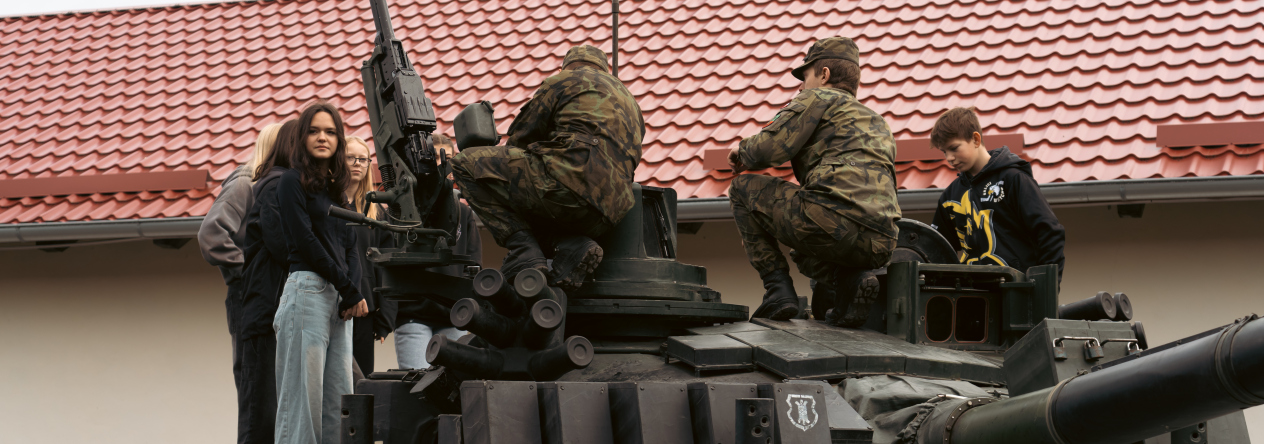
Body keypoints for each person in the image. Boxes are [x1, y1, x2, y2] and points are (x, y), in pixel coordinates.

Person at [726, 37, 900, 326]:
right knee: (806, 247)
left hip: (831, 220)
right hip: (882, 241)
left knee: (742, 190)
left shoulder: (817, 98)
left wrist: (740, 152)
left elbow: (769, 150)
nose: (800, 86)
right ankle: (849, 284)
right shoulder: (879, 121)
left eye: (805, 77)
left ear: (824, 75)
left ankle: (777, 290)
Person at [450, 45, 644, 292]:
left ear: (567, 66)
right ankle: (570, 245)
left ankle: (523, 250)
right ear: (603, 68)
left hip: (565, 186)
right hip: (609, 215)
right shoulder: (633, 105)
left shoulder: (564, 81)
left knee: (465, 163)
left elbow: (522, 136)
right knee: (544, 194)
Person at [272, 101, 367, 444]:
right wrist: (348, 287)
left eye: (330, 131)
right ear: (301, 137)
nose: (322, 137)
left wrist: (352, 289)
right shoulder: (290, 182)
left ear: (340, 139)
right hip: (307, 291)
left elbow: (350, 246)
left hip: (338, 298)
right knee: (302, 406)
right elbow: (305, 241)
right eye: (314, 131)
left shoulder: (337, 190)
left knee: (336, 404)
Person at [196, 121, 282, 444]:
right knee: (255, 393)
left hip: (265, 297)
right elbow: (211, 234)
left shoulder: (272, 188)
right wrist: (246, 271)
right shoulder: (245, 184)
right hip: (247, 295)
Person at [929, 107, 1066, 283]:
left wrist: (1044, 288)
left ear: (976, 139)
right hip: (973, 299)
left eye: (954, 148)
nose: (949, 158)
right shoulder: (950, 197)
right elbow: (937, 251)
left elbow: (1049, 233)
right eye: (944, 152)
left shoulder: (1013, 180)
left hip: (1017, 294)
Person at [230, 119, 302, 444]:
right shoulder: (275, 186)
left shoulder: (288, 186)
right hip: (267, 314)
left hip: (278, 313)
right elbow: (283, 245)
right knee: (260, 416)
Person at [389, 134, 480, 370]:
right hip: (413, 315)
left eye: (447, 159)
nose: (442, 166)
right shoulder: (404, 209)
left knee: (458, 386)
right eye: (434, 160)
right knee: (417, 386)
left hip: (454, 317)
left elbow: (473, 265)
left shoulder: (464, 212)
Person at [342, 135, 394, 374]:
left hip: (364, 310)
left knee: (360, 384)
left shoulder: (376, 212)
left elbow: (387, 266)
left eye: (363, 159)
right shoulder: (326, 204)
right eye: (351, 157)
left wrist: (385, 319)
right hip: (331, 305)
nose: (357, 163)